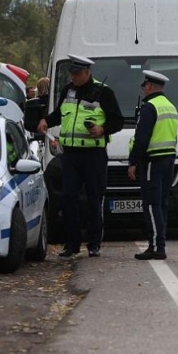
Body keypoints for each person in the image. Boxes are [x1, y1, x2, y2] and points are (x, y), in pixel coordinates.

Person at [37, 55, 124, 258]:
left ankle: (94, 244)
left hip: (93, 154)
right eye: (72, 74)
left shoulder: (103, 92)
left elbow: (117, 121)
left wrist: (103, 129)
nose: (73, 77)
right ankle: (72, 244)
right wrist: (46, 121)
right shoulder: (68, 90)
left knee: (94, 199)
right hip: (71, 155)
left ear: (87, 73)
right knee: (69, 198)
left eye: (77, 74)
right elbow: (60, 113)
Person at [128, 71, 178, 260]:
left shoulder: (149, 107)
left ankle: (157, 246)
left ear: (149, 86)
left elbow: (142, 139)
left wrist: (133, 162)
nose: (143, 90)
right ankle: (159, 243)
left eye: (144, 86)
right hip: (168, 160)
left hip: (153, 161)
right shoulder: (170, 106)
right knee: (161, 204)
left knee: (151, 204)